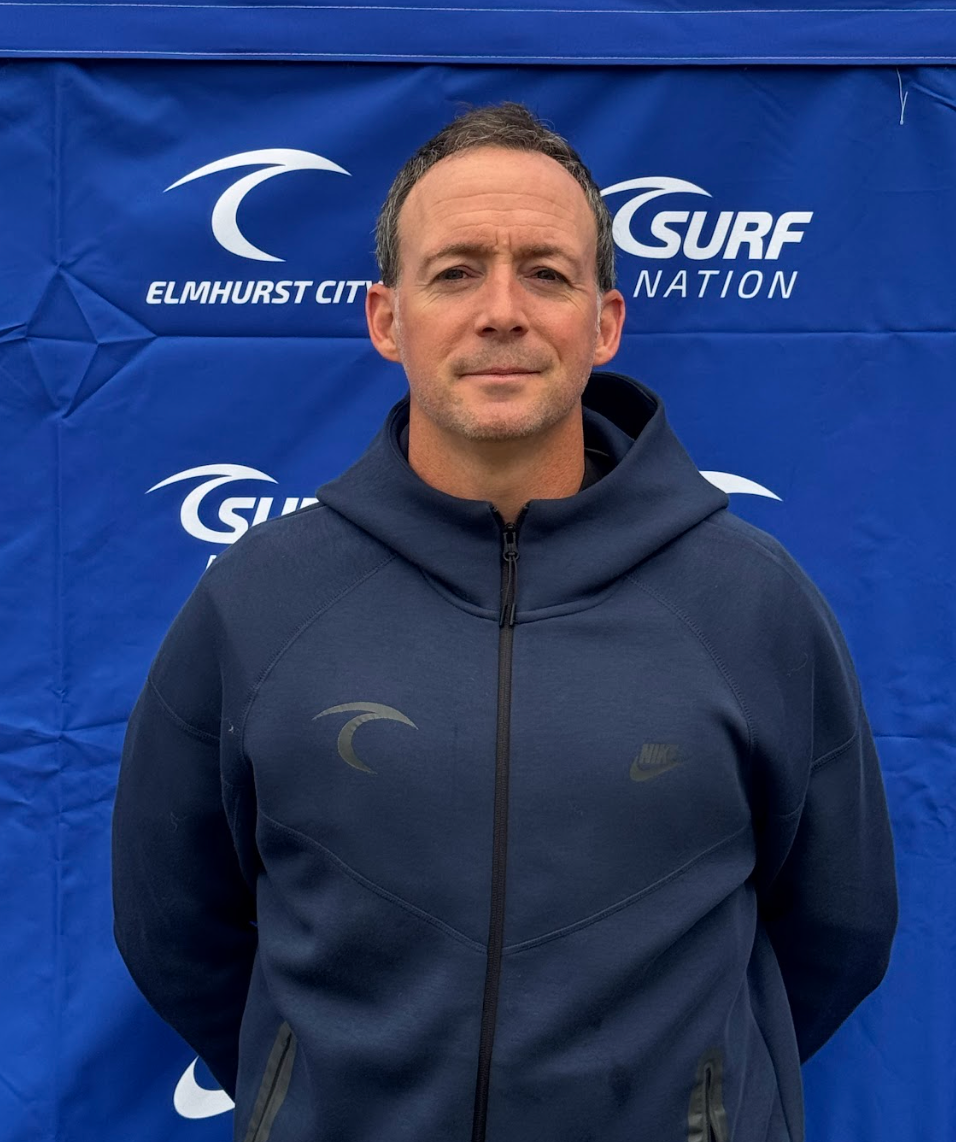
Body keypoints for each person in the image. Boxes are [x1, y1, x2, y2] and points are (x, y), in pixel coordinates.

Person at [112, 103, 897, 1142]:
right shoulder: (262, 598)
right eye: (454, 271)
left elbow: (837, 925)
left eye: (545, 271)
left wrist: (697, 1095)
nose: (501, 310)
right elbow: (175, 922)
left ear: (604, 320)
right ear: (386, 318)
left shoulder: (750, 599)